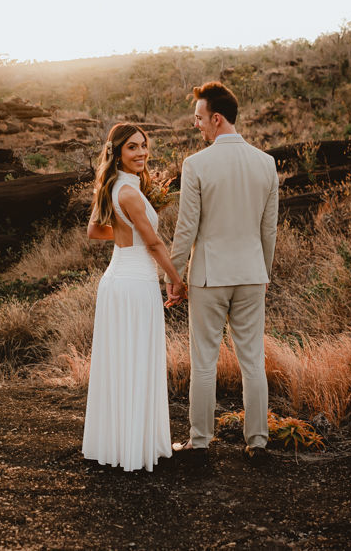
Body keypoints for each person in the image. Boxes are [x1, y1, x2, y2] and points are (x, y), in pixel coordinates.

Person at [165, 81, 279, 469]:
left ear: (216, 118)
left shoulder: (197, 165)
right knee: (253, 361)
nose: (197, 125)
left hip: (209, 277)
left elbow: (186, 228)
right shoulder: (266, 163)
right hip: (251, 274)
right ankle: (258, 442)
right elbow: (269, 229)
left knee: (203, 362)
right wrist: (264, 270)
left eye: (199, 119)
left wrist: (174, 276)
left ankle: (200, 443)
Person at [83, 123, 187, 472]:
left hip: (121, 279)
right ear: (117, 152)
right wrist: (177, 280)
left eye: (144, 145)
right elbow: (155, 244)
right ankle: (134, 447)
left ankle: (121, 443)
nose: (141, 152)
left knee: (124, 362)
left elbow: (95, 230)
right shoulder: (127, 192)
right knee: (136, 360)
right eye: (132, 147)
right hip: (133, 284)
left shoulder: (116, 187)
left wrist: (126, 235)